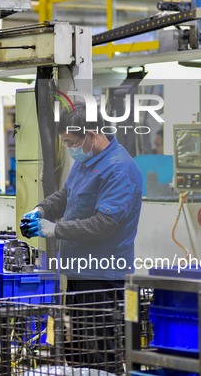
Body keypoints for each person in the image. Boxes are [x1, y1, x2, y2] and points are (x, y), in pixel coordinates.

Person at [23, 105, 143, 371]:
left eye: (70, 142)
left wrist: (54, 229)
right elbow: (67, 195)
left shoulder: (119, 169)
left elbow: (104, 224)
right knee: (77, 354)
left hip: (104, 280)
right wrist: (41, 209)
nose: (68, 148)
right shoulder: (86, 162)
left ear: (91, 134)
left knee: (99, 357)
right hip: (80, 274)